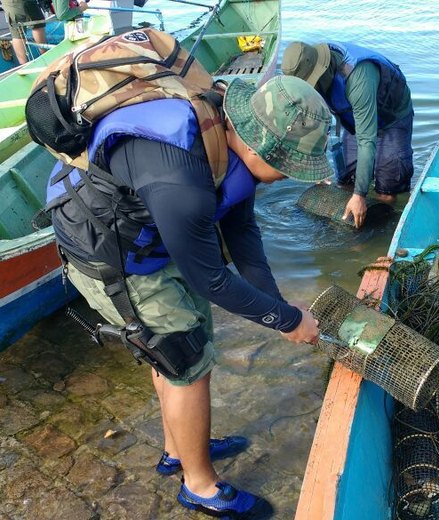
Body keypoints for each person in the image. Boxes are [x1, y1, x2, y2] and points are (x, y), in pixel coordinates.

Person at [45, 75, 331, 518]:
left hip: (152, 232)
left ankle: (179, 447)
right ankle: (198, 486)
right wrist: (288, 322)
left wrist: (280, 307)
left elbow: (242, 232)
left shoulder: (224, 137)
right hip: (110, 255)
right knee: (185, 362)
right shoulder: (182, 178)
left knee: (189, 347)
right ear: (257, 149)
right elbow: (212, 281)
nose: (290, 177)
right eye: (290, 166)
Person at [281, 40, 415, 228]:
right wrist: (318, 170)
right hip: (353, 114)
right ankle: (350, 217)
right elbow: (315, 122)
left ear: (322, 71)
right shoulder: (313, 73)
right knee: (346, 180)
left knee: (387, 188)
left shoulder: (358, 75)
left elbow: (366, 140)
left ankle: (380, 224)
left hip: (391, 117)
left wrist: (360, 196)